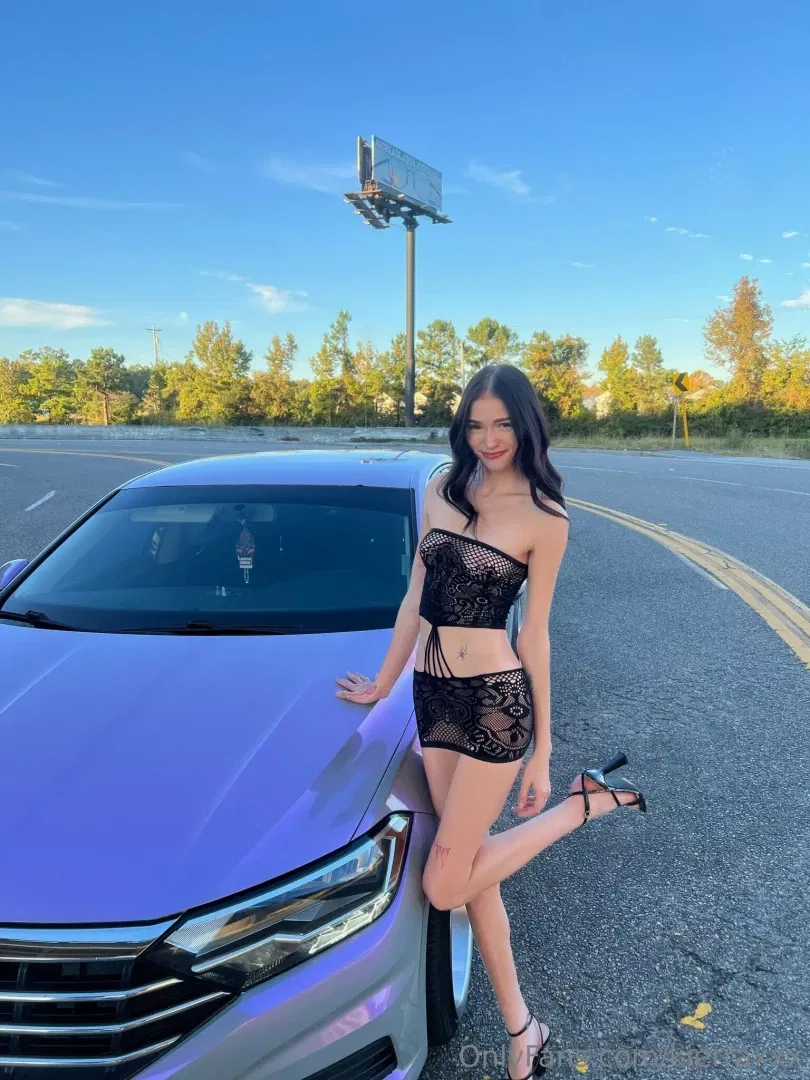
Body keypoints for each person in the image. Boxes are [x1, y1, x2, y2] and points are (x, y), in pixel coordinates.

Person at [336, 363, 646, 1080]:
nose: (489, 438)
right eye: (476, 425)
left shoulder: (546, 518)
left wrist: (543, 750)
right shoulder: (443, 488)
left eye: (503, 424)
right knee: (475, 879)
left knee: (445, 886)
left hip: (492, 705)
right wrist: (383, 682)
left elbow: (535, 636)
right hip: (431, 695)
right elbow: (416, 594)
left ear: (526, 425)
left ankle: (581, 807)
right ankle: (523, 1029)